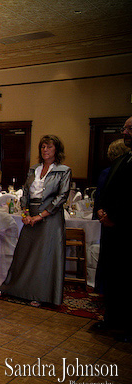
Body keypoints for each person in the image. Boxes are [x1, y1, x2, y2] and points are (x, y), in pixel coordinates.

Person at [0, 135, 71, 306]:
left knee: (43, 256)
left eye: (49, 147)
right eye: (43, 147)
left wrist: (41, 216)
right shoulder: (34, 169)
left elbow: (61, 197)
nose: (45, 150)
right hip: (31, 214)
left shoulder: (63, 170)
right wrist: (26, 213)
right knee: (23, 252)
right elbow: (26, 191)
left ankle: (40, 294)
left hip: (50, 217)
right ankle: (13, 288)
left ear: (56, 150)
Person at [94, 116, 132, 342]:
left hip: (126, 227)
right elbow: (107, 189)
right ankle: (114, 319)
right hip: (112, 227)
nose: (124, 132)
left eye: (129, 129)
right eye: (124, 128)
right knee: (114, 275)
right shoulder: (125, 158)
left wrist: (115, 217)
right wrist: (101, 209)